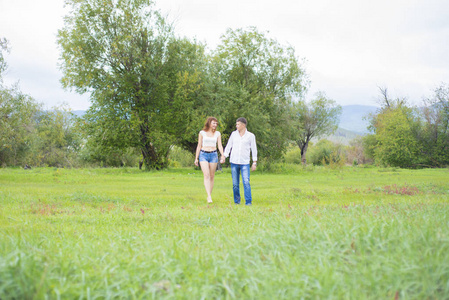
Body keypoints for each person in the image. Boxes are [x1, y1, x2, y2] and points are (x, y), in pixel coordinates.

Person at [222, 117, 257, 205]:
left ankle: (248, 202)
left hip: (245, 163)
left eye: (238, 124)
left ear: (243, 125)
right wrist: (224, 156)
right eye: (236, 124)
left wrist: (254, 162)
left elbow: (254, 149)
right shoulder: (233, 134)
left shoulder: (250, 136)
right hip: (234, 162)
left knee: (246, 182)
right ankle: (237, 201)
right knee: (235, 184)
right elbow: (229, 146)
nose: (236, 126)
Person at [195, 117, 225, 204]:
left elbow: (219, 145)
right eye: (213, 123)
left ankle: (209, 195)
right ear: (209, 123)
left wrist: (222, 155)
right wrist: (196, 158)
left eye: (216, 123)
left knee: (212, 176)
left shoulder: (217, 134)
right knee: (206, 175)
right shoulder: (202, 133)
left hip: (213, 154)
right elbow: (199, 145)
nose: (215, 125)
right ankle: (209, 196)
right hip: (203, 154)